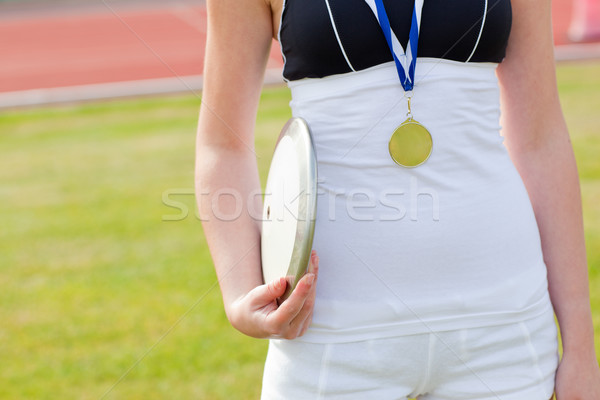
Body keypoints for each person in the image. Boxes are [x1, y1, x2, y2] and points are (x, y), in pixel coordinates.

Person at [195, 0, 600, 398]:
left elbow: (539, 139)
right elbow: (223, 144)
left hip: (503, 323)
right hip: (328, 329)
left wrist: (581, 349)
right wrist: (238, 295)